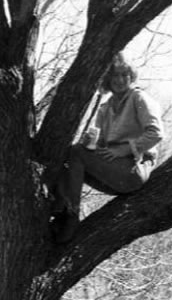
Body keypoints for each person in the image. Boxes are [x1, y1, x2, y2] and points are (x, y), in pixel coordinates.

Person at [51, 54, 164, 243]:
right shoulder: (105, 108)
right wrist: (89, 143)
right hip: (112, 172)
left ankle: (71, 216)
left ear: (131, 77)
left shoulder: (139, 98)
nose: (120, 80)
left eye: (124, 75)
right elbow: (100, 147)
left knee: (75, 153)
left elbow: (156, 133)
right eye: (114, 76)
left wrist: (125, 150)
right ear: (107, 80)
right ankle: (60, 212)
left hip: (133, 169)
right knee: (68, 155)